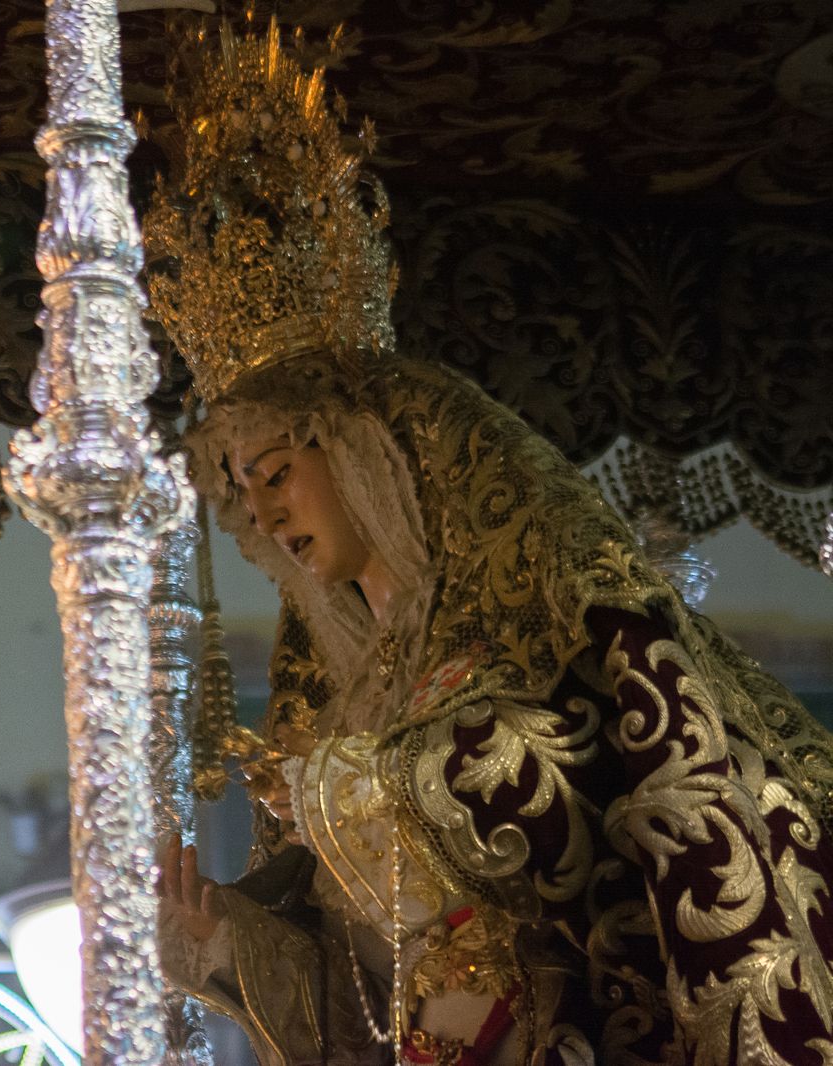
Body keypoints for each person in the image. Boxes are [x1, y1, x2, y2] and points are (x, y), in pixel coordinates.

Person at [142, 20, 833, 1066]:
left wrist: (352, 785)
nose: (269, 517)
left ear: (363, 449)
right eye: (245, 497)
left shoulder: (511, 616)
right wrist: (225, 938)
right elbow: (362, 991)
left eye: (279, 470)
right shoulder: (342, 699)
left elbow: (568, 814)